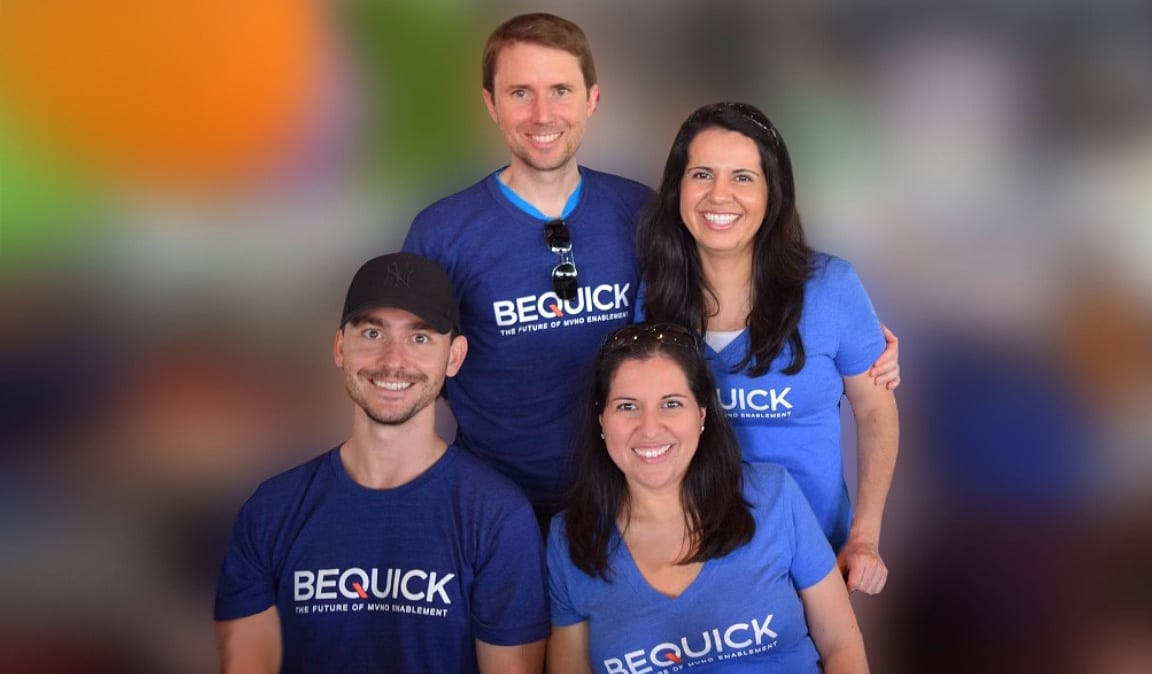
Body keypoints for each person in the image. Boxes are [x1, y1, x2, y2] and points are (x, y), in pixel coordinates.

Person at [404, 12, 900, 524]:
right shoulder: (442, 233)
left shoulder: (641, 213)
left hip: (635, 515)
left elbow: (735, 257)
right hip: (497, 513)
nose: (542, 113)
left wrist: (857, 342)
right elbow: (403, 366)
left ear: (592, 99)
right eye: (520, 93)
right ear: (490, 102)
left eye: (560, 91)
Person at [213, 252, 548, 673]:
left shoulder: (498, 517)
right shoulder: (271, 510)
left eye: (420, 338)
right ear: (339, 347)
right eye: (372, 333)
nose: (394, 360)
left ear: (455, 356)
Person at [636, 101, 900, 595]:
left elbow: (876, 412)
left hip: (815, 563)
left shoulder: (830, 288)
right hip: (691, 565)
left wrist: (865, 537)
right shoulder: (652, 298)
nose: (720, 195)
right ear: (677, 189)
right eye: (702, 174)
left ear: (772, 192)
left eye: (742, 177)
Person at [547, 322, 869, 673]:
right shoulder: (571, 540)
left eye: (671, 403)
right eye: (627, 406)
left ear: (701, 415)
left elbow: (842, 646)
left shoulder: (772, 495)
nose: (650, 428)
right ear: (601, 420)